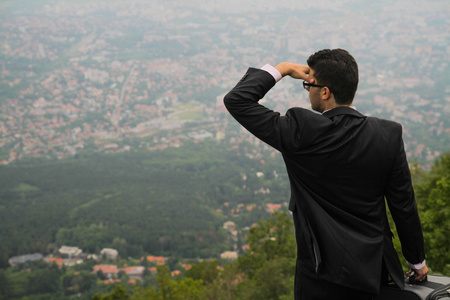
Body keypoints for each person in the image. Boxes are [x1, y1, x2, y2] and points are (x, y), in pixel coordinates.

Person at [223, 49, 428, 299]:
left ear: (325, 92)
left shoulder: (301, 132)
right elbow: (403, 206)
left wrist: (284, 68)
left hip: (320, 275)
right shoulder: (387, 135)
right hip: (374, 271)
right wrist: (417, 262)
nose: (307, 89)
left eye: (309, 85)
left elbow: (237, 100)